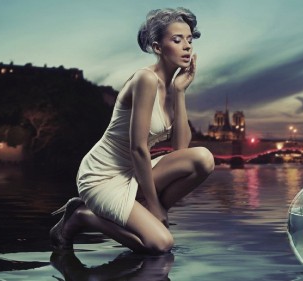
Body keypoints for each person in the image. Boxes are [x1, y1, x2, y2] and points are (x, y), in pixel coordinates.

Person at [49, 7, 214, 255]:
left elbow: (179, 152)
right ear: (158, 48)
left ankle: (145, 213)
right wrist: (157, 208)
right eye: (177, 40)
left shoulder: (172, 87)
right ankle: (82, 216)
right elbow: (137, 148)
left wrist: (180, 92)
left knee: (203, 159)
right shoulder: (145, 80)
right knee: (161, 245)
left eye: (189, 40)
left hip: (133, 173)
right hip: (103, 176)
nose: (187, 47)